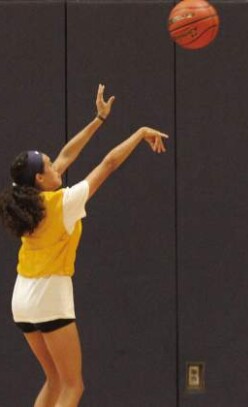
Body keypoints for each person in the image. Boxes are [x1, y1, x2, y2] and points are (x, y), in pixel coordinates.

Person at [0, 84, 167, 407]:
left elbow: (65, 156)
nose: (55, 166)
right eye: (47, 166)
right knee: (73, 386)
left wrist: (99, 120)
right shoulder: (63, 203)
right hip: (50, 295)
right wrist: (140, 133)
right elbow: (108, 164)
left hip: (22, 299)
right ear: (39, 178)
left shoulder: (27, 199)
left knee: (53, 380)